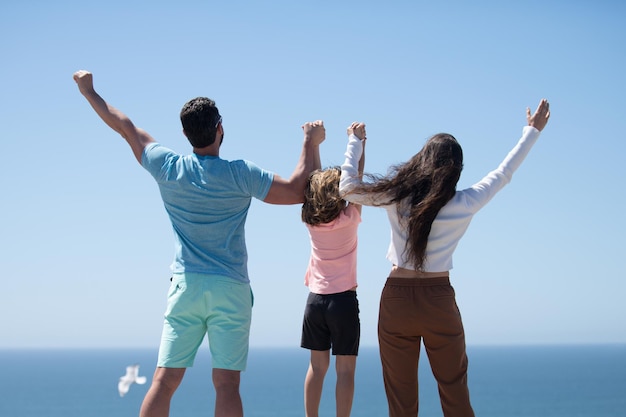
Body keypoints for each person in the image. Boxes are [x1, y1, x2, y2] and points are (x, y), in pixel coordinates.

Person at [72, 70, 326, 417]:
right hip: (231, 290)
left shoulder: (168, 167)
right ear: (220, 129)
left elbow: (124, 126)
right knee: (227, 385)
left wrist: (89, 92)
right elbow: (299, 190)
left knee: (164, 382)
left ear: (185, 135)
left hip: (186, 287)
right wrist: (310, 143)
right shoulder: (240, 174)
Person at [339, 99, 551, 417]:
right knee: (454, 392)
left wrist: (354, 142)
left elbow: (347, 189)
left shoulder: (398, 196)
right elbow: (503, 173)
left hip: (397, 299)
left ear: (421, 161)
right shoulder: (465, 203)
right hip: (438, 300)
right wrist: (531, 131)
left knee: (401, 396)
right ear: (457, 170)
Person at [300, 122, 366, 417]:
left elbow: (311, 181)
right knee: (346, 371)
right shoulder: (349, 218)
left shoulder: (310, 220)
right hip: (343, 302)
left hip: (315, 301)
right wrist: (359, 143)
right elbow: (358, 178)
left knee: (317, 367)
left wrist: (313, 144)